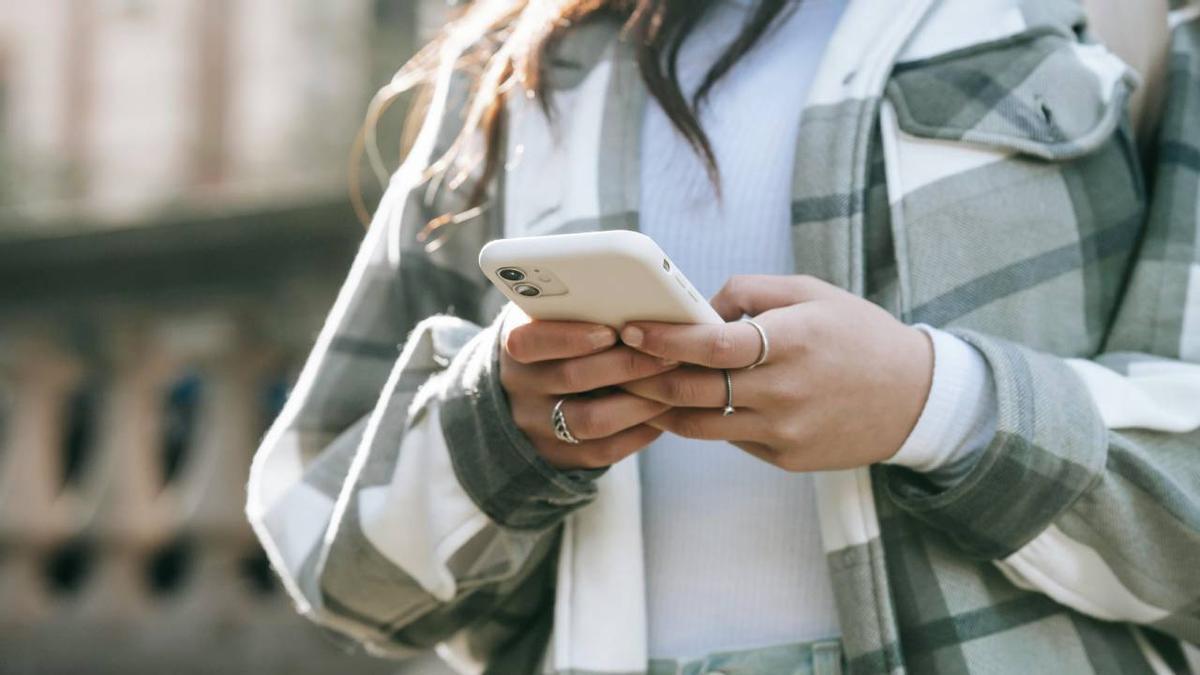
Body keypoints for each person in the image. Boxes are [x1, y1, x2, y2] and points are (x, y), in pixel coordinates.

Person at [246, 0, 1200, 672]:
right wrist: (504, 427)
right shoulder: (515, 69)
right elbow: (336, 568)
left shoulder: (1122, 21)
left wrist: (935, 405)